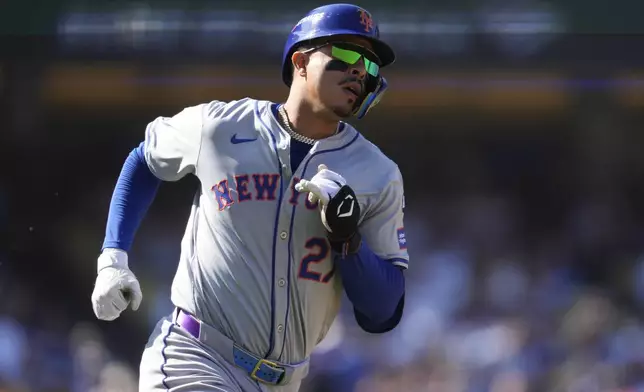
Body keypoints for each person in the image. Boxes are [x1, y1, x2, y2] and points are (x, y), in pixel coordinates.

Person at [90, 3, 409, 391]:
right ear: (301, 61)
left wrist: (348, 241)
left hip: (286, 379)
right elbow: (145, 158)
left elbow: (382, 312)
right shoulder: (220, 126)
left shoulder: (378, 174)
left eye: (371, 65)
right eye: (345, 53)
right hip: (196, 356)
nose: (360, 70)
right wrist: (113, 257)